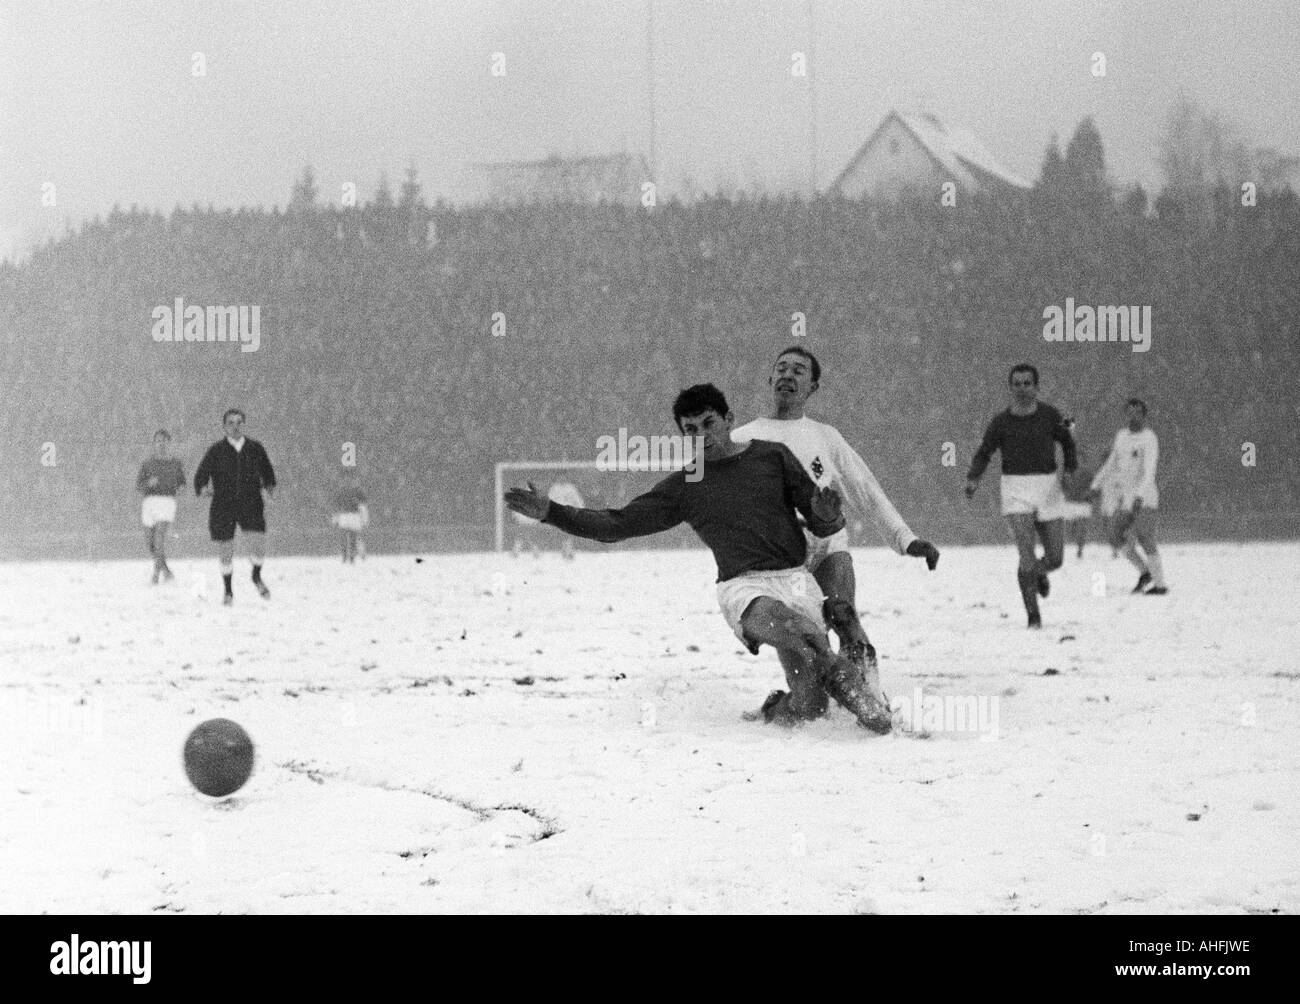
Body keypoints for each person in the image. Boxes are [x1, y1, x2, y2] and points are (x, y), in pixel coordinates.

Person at [506, 384, 936, 732]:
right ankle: (877, 718)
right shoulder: (687, 485)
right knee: (803, 633)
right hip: (744, 589)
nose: (701, 435)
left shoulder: (772, 456)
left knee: (809, 707)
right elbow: (618, 525)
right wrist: (551, 512)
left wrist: (826, 516)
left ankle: (777, 707)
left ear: (730, 421)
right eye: (689, 429)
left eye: (708, 423)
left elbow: (820, 521)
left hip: (795, 578)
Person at [732, 346, 938, 707]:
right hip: (779, 565)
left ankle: (872, 700)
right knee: (810, 694)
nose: (787, 375)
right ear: (769, 380)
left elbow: (867, 492)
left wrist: (906, 540)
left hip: (826, 545)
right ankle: (780, 706)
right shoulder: (743, 438)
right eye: (781, 368)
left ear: (812, 387)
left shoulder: (826, 437)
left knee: (843, 613)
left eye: (798, 371)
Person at [965, 364, 1077, 628]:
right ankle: (1033, 615)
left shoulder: (1051, 415)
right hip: (1015, 488)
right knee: (1026, 553)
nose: (1022, 388)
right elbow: (985, 451)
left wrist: (1070, 471)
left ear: (1036, 387)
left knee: (1056, 558)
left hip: (1047, 486)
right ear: (1010, 387)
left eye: (1027, 383)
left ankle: (1038, 574)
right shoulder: (1000, 422)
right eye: (1017, 383)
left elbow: (1068, 443)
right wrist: (974, 478)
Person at [193, 409, 277, 604]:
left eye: (239, 422)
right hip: (224, 504)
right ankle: (228, 591)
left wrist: (269, 488)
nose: (235, 425)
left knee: (258, 546)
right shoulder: (216, 451)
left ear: (244, 425)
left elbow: (268, 473)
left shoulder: (256, 448)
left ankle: (256, 576)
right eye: (231, 422)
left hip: (251, 502)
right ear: (224, 427)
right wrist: (202, 488)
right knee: (226, 549)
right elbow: (200, 476)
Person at [1090, 398, 1168, 594]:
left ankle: (1160, 585)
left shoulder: (1149, 438)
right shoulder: (1121, 436)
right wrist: (1095, 485)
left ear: (1144, 415)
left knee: (1144, 536)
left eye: (1138, 412)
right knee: (1114, 535)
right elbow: (1111, 463)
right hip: (1127, 498)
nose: (1133, 416)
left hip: (1145, 497)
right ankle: (1144, 572)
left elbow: (1150, 470)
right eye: (1130, 412)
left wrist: (1140, 497)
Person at [136, 429, 185, 584]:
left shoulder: (175, 463)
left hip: (167, 502)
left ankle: (156, 573)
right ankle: (166, 570)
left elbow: (182, 483)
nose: (161, 444)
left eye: (164, 441)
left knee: (159, 538)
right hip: (149, 502)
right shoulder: (147, 464)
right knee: (150, 542)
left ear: (169, 443)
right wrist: (148, 484)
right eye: (158, 441)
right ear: (154, 443)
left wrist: (179, 489)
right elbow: (139, 486)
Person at [512, 482, 583, 559]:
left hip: (567, 514)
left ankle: (566, 550)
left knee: (566, 532)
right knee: (526, 532)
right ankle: (526, 550)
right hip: (553, 515)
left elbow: (577, 501)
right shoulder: (554, 488)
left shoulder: (570, 488)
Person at [331, 469, 369, 563]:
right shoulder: (343, 491)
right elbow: (337, 506)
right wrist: (335, 518)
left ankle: (350, 557)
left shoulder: (357, 491)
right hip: (345, 516)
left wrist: (364, 519)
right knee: (345, 538)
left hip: (354, 516)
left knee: (352, 538)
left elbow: (362, 506)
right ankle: (345, 557)